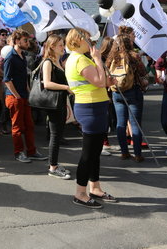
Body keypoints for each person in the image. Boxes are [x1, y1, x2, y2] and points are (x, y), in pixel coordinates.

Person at [65, 28, 117, 209]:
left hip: (95, 106)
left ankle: (94, 187)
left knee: (95, 152)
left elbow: (98, 83)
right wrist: (97, 59)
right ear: (78, 40)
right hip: (90, 108)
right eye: (87, 39)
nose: (90, 42)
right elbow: (99, 82)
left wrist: (106, 82)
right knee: (88, 154)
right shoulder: (80, 59)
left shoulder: (79, 58)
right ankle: (80, 193)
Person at [3, 29, 47, 163]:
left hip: (23, 96)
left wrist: (28, 92)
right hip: (14, 97)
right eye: (25, 40)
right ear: (17, 41)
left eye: (27, 40)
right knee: (17, 127)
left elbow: (23, 77)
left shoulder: (22, 56)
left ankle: (32, 151)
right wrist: (17, 96)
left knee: (29, 125)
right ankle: (18, 153)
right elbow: (7, 80)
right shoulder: (10, 57)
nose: (27, 43)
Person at [106, 35, 148, 163]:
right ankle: (137, 154)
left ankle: (124, 152)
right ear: (128, 43)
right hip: (133, 91)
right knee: (135, 123)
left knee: (120, 123)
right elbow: (143, 72)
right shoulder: (133, 56)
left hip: (117, 92)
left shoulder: (111, 57)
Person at [41, 34, 72, 179]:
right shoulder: (48, 62)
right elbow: (46, 83)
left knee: (58, 134)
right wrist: (66, 87)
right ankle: (53, 167)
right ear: (52, 46)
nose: (63, 47)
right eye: (60, 45)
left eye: (63, 44)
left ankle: (54, 164)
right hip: (52, 104)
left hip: (60, 102)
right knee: (55, 135)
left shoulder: (58, 61)